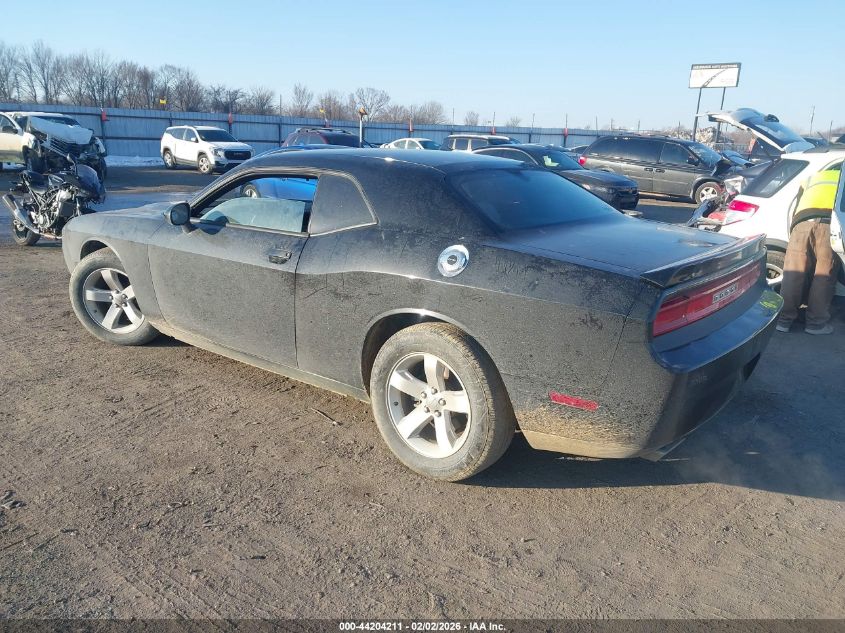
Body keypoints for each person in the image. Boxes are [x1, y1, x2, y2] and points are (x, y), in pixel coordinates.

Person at [776, 162, 842, 335]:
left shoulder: (813, 177)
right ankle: (815, 324)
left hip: (802, 224)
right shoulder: (842, 179)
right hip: (829, 225)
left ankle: (783, 321)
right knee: (824, 276)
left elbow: (797, 205)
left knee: (793, 274)